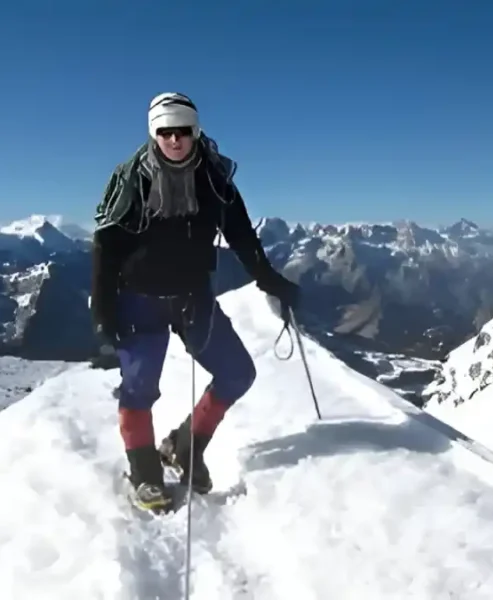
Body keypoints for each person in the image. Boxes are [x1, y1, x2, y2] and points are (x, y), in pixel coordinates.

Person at [92, 92, 300, 512]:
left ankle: (185, 446)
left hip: (192, 298)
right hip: (138, 298)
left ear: (195, 131)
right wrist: (103, 303)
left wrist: (269, 279)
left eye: (182, 131)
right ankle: (145, 472)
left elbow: (241, 233)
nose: (174, 140)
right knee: (138, 389)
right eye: (165, 132)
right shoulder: (132, 180)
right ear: (154, 133)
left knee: (237, 373)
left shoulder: (214, 179)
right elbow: (106, 243)